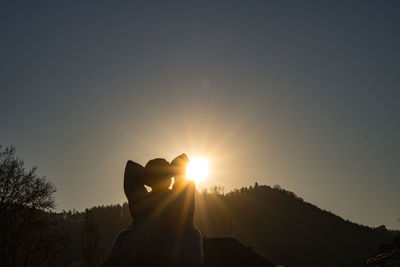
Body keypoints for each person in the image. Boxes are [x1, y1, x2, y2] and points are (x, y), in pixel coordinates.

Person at [100, 154, 203, 266]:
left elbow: (130, 169)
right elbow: (182, 160)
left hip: (173, 240)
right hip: (165, 241)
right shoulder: (178, 197)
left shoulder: (145, 199)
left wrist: (150, 176)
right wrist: (168, 172)